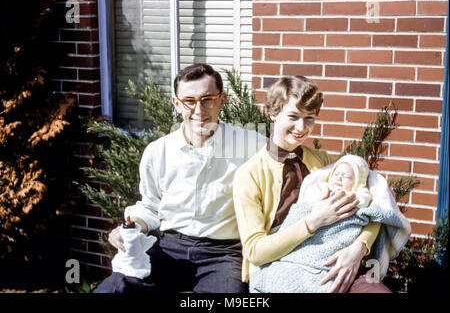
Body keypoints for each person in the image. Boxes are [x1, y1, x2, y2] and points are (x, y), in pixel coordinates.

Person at [93, 64, 266, 293]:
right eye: (189, 101)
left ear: (222, 101)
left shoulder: (252, 144)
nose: (198, 110)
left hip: (224, 253)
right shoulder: (158, 151)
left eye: (207, 99)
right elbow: (151, 206)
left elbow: (290, 169)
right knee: (116, 287)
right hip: (170, 247)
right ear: (177, 104)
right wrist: (133, 226)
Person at [233, 75, 399, 293]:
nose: (301, 127)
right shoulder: (249, 174)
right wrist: (314, 221)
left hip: (339, 263)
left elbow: (374, 208)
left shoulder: (324, 162)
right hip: (283, 270)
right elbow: (256, 252)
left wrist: (359, 247)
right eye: (293, 116)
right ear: (272, 114)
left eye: (309, 118)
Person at [249, 154, 411, 293]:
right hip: (294, 257)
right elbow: (297, 216)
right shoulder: (314, 195)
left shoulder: (356, 200)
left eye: (346, 176)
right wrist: (317, 213)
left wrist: (360, 246)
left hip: (341, 266)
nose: (339, 177)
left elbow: (379, 215)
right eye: (336, 174)